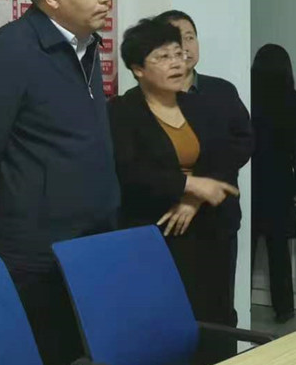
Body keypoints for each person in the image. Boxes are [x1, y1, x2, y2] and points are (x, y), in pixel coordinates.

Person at [0, 0, 119, 365]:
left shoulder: (86, 47)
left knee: (84, 353)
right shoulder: (9, 52)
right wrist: (17, 215)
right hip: (33, 256)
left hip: (90, 245)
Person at [108, 18, 247, 364]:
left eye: (177, 54)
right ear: (138, 69)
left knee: (215, 321)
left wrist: (193, 199)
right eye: (162, 57)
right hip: (154, 233)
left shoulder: (198, 106)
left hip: (207, 231)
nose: (175, 63)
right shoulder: (122, 112)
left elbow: (223, 157)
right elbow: (128, 171)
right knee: (164, 326)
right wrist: (187, 184)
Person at [154, 9, 252, 323]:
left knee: (218, 314)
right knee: (170, 314)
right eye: (175, 40)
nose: (185, 46)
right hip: (166, 222)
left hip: (217, 221)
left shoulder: (222, 92)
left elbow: (242, 145)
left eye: (190, 37)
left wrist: (198, 193)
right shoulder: (143, 100)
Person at [250, 44, 296, 323]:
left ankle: (240, 303)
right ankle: (284, 309)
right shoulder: (292, 99)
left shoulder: (247, 95)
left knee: (245, 249)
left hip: (250, 180)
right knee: (279, 251)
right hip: (280, 180)